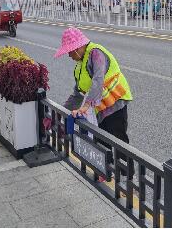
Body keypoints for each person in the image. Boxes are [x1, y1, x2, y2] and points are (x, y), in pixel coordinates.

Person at [54, 27, 134, 179]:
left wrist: (86, 105)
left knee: (118, 140)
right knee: (101, 139)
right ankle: (106, 171)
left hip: (115, 103)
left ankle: (127, 179)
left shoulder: (96, 53)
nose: (69, 55)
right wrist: (61, 111)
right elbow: (78, 93)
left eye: (70, 51)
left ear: (78, 47)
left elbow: (98, 81)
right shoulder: (80, 64)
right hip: (100, 108)